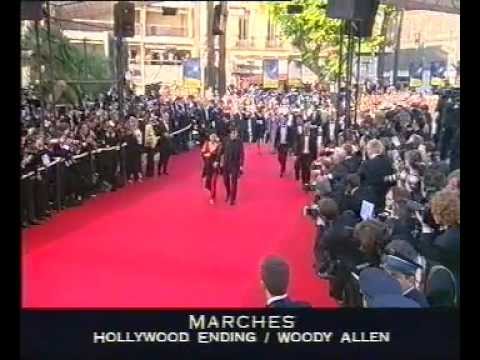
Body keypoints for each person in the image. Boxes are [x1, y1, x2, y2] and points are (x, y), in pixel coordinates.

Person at [358, 139, 395, 212]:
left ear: (369, 150)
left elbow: (359, 180)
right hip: (385, 198)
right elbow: (392, 180)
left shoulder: (366, 164)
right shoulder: (389, 163)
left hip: (370, 199)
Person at [221, 128, 244, 206]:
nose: (234, 135)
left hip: (235, 164)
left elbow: (242, 154)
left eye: (235, 134)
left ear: (237, 134)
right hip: (226, 164)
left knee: (234, 182)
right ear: (230, 134)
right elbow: (220, 151)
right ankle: (228, 192)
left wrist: (241, 165)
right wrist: (217, 161)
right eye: (232, 133)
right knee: (225, 180)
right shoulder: (225, 140)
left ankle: (232, 199)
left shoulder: (239, 142)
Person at [201, 133, 222, 204]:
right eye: (211, 137)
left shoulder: (219, 145)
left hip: (215, 166)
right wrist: (205, 155)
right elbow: (202, 153)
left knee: (213, 182)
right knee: (208, 182)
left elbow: (219, 155)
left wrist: (217, 162)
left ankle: (212, 197)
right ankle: (211, 191)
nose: (212, 138)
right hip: (207, 166)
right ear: (209, 138)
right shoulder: (206, 144)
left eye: (214, 137)